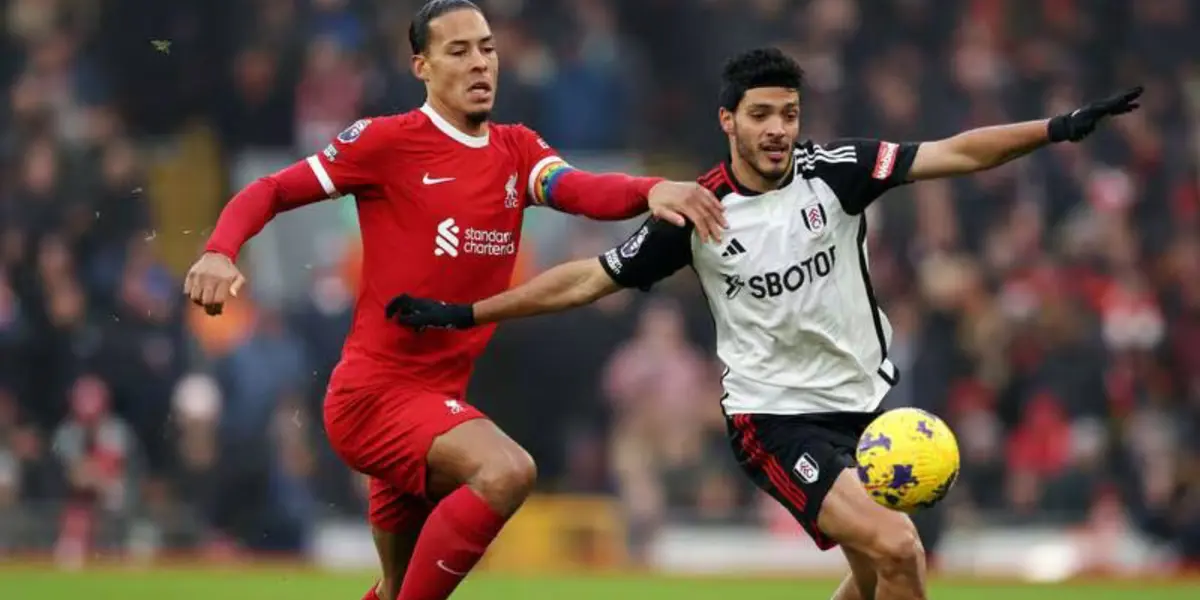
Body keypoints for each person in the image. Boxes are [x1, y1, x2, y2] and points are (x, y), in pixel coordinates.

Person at [385, 47, 1142, 600]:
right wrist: (468, 313)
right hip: (775, 418)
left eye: (789, 114)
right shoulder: (697, 212)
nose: (778, 129)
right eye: (761, 115)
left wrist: (1057, 127)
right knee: (900, 548)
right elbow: (589, 278)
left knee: (872, 573)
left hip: (865, 406)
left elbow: (955, 153)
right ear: (729, 121)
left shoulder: (836, 171)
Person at [182, 1, 726, 599]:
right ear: (422, 65)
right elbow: (270, 189)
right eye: (458, 51)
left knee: (396, 588)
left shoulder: (517, 151)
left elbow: (579, 189)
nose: (479, 63)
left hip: (438, 399)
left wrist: (653, 189)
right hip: (375, 397)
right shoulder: (387, 141)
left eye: (487, 49)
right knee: (507, 470)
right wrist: (219, 250)